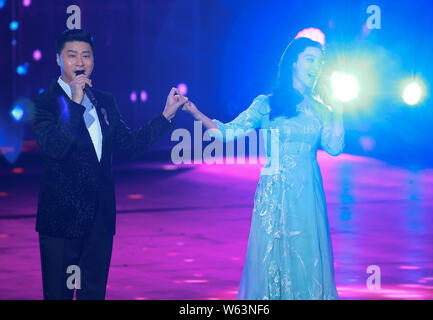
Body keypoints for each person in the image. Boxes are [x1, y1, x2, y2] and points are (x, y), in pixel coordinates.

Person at [182, 37, 344, 299]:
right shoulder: (267, 104)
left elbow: (334, 148)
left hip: (309, 195)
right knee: (273, 257)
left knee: (308, 255)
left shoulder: (321, 109)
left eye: (320, 61)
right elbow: (229, 132)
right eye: (310, 59)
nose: (316, 66)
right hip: (275, 192)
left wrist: (339, 109)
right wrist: (196, 113)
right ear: (294, 62)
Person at [31, 29, 188, 300]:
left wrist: (165, 116)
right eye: (72, 56)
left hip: (99, 222)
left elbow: (129, 146)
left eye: (86, 56)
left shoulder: (104, 101)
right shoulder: (44, 103)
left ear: (93, 60)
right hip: (60, 221)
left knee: (94, 294)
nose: (80, 62)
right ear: (59, 59)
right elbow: (56, 147)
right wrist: (75, 103)